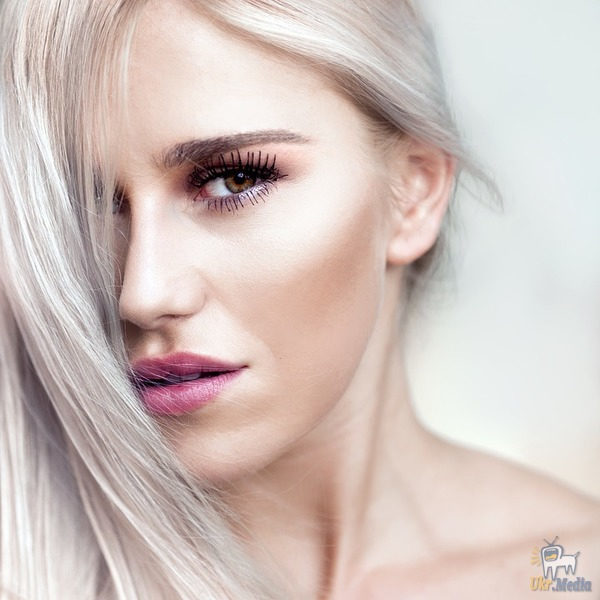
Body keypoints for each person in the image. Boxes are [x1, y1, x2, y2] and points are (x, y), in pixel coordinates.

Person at [0, 1, 597, 598]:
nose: (142, 293)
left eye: (233, 179)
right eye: (84, 203)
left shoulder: (569, 576)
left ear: (413, 193)